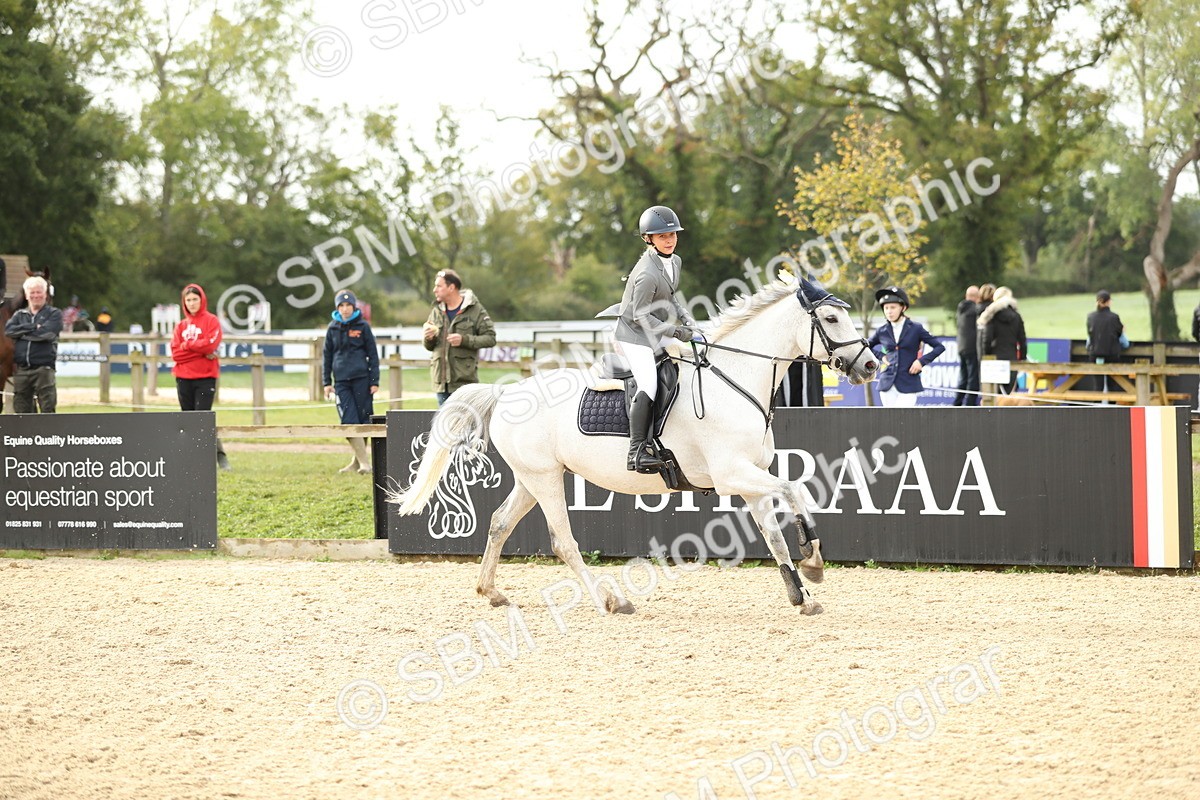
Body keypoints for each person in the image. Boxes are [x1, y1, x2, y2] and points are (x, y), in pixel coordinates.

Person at [612, 205, 699, 471]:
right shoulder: (646, 273)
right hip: (634, 335)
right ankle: (636, 451)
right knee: (648, 384)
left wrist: (687, 319)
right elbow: (640, 317)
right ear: (648, 239)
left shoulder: (675, 261)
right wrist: (675, 331)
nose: (670, 239)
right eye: (663, 236)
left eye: (673, 234)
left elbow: (670, 296)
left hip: (653, 328)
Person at [170, 283, 230, 470]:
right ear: (184, 303)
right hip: (183, 378)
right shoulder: (181, 326)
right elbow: (175, 354)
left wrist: (188, 346)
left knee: (203, 419)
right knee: (187, 421)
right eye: (188, 300)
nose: (192, 303)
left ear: (201, 299)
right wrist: (199, 350)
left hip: (205, 378)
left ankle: (219, 457)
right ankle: (191, 460)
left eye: (195, 299)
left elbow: (211, 346)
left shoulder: (211, 321)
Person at [324, 289, 379, 474]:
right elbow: (327, 356)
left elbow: (373, 355)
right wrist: (326, 382)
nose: (345, 309)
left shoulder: (363, 327)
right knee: (348, 421)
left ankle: (357, 463)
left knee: (363, 421)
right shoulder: (332, 328)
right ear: (337, 308)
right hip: (341, 382)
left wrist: (374, 381)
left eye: (348, 305)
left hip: (362, 380)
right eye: (341, 305)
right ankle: (365, 463)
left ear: (354, 307)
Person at [422, 269, 496, 406]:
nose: (434, 290)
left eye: (439, 286)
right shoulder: (436, 311)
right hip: (441, 384)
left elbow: (490, 338)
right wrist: (429, 338)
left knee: (466, 426)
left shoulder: (475, 310)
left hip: (465, 384)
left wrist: (464, 340)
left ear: (451, 287)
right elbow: (429, 347)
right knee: (444, 425)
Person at [867, 286, 945, 407]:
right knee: (890, 420)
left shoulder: (916, 328)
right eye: (886, 308)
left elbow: (939, 347)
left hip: (909, 383)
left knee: (903, 419)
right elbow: (866, 346)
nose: (889, 311)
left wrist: (921, 362)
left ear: (903, 307)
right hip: (887, 383)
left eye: (893, 307)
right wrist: (881, 356)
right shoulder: (881, 331)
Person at [4, 275, 62, 413]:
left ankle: (49, 435)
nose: (36, 295)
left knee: (47, 408)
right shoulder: (19, 315)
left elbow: (47, 335)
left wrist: (22, 334)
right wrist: (33, 327)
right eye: (32, 292)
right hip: (22, 370)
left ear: (45, 294)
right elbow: (9, 331)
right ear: (26, 295)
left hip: (44, 369)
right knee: (21, 410)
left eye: (39, 292)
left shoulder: (54, 314)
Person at [978, 285, 1027, 395]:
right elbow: (1022, 340)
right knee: (1008, 395)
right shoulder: (1017, 316)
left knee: (992, 395)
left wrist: (986, 355)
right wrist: (1022, 358)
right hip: (1011, 357)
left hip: (995, 357)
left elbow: (987, 338)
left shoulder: (991, 316)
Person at [1086, 289, 1125, 396]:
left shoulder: (1090, 317)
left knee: (1097, 386)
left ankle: (1096, 409)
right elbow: (1119, 333)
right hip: (1111, 354)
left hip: (1095, 354)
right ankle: (1111, 409)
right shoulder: (1114, 317)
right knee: (1112, 385)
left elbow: (1090, 334)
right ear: (1108, 302)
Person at [954, 285, 982, 406]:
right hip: (972, 348)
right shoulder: (974, 310)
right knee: (973, 379)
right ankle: (970, 406)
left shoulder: (961, 308)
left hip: (961, 347)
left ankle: (957, 403)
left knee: (963, 378)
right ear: (976, 297)